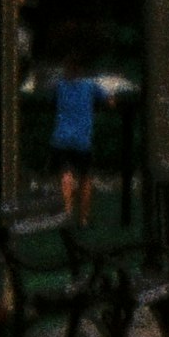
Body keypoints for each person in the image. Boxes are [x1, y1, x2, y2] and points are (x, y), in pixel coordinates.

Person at [49, 50, 102, 231]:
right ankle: (84, 218)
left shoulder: (60, 86)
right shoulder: (91, 86)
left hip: (61, 138)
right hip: (82, 140)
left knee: (66, 175)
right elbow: (110, 101)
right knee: (85, 178)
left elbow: (52, 100)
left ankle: (68, 212)